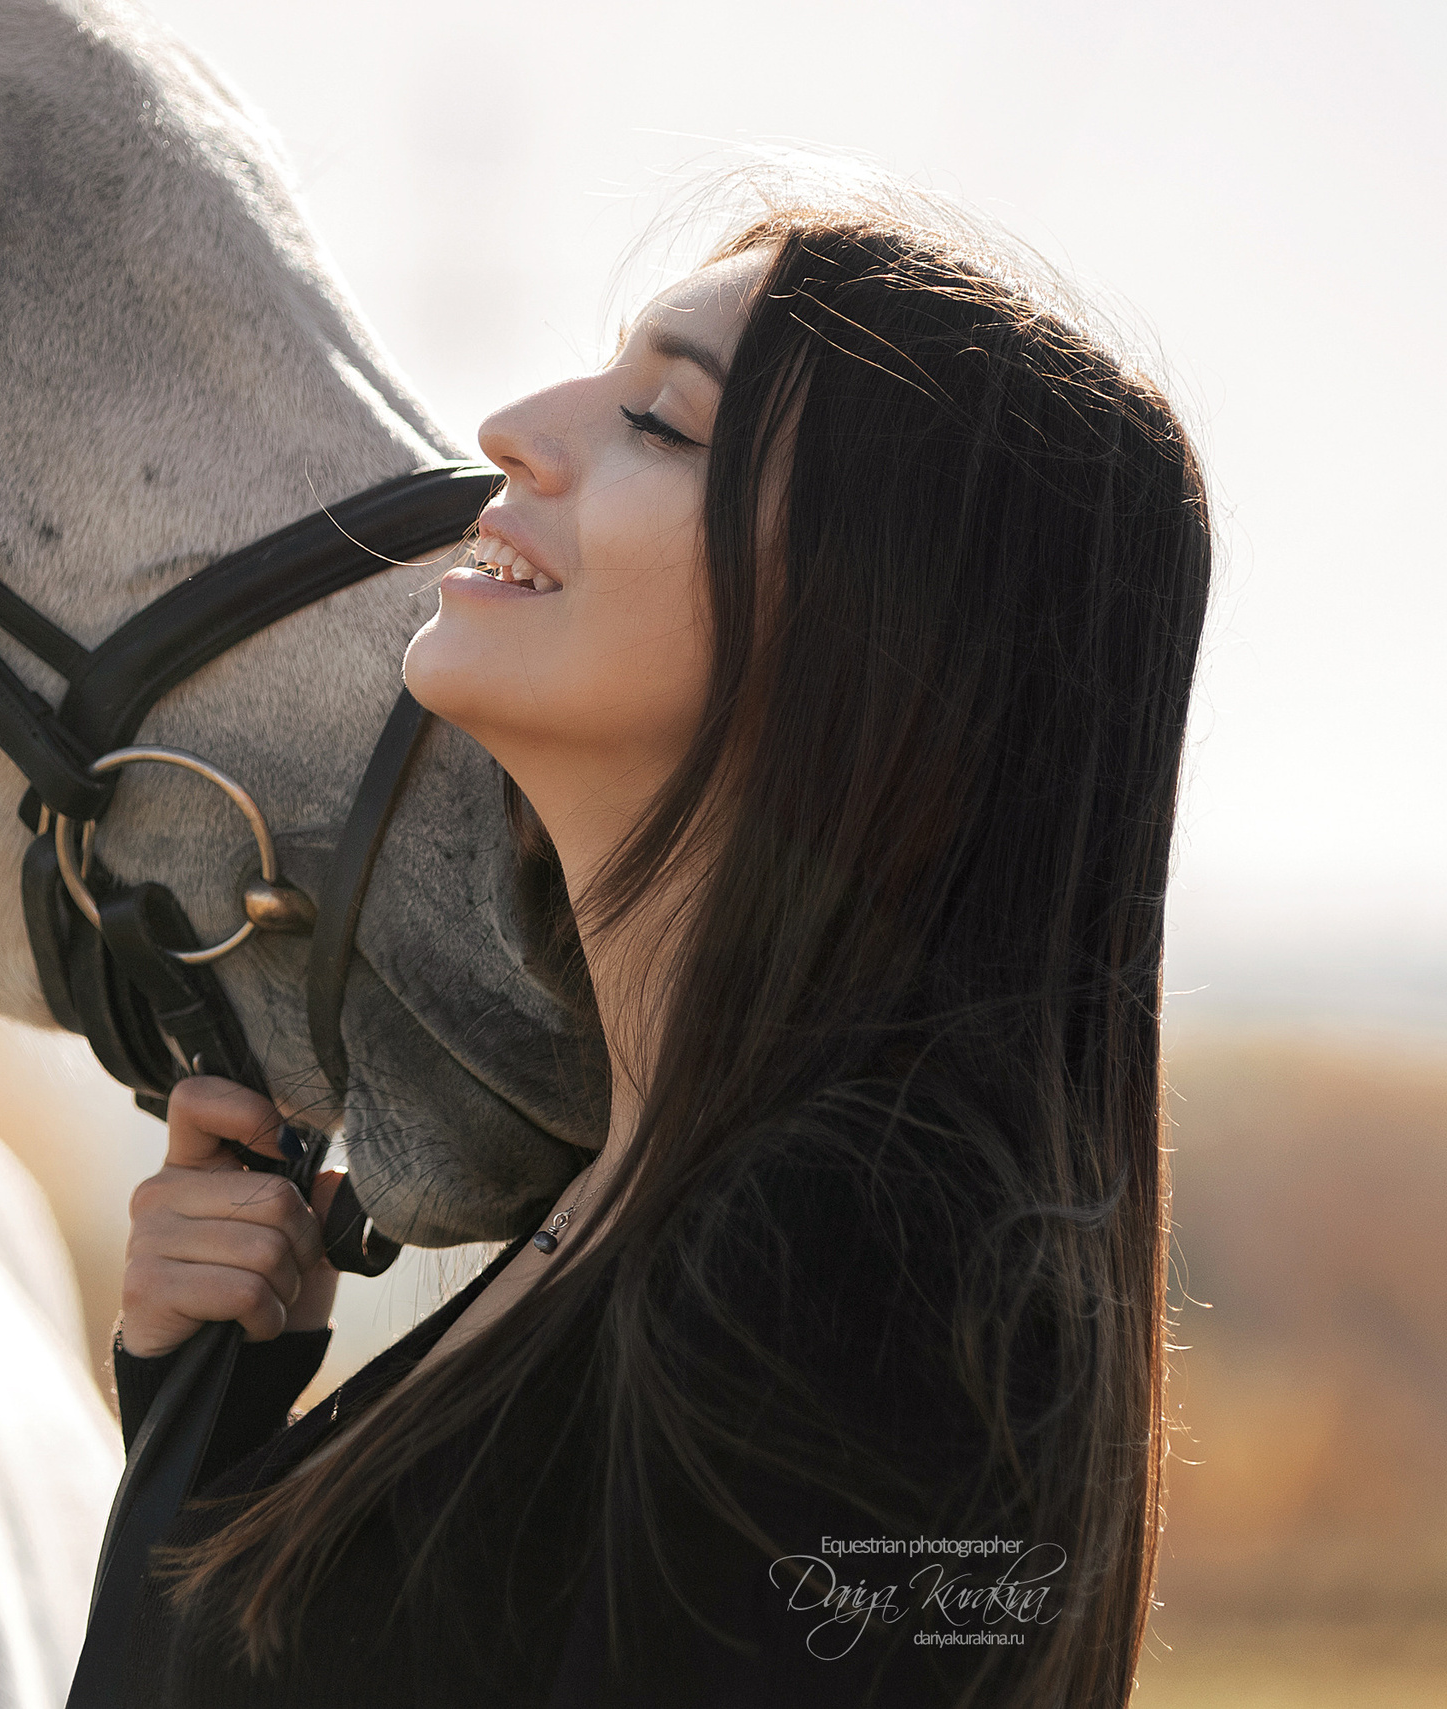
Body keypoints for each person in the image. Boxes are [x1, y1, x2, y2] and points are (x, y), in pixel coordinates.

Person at [104, 170, 1210, 1708]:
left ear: (874, 633)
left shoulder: (851, 1260)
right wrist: (204, 1419)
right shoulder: (638, 1199)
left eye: (662, 423)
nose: (511, 427)